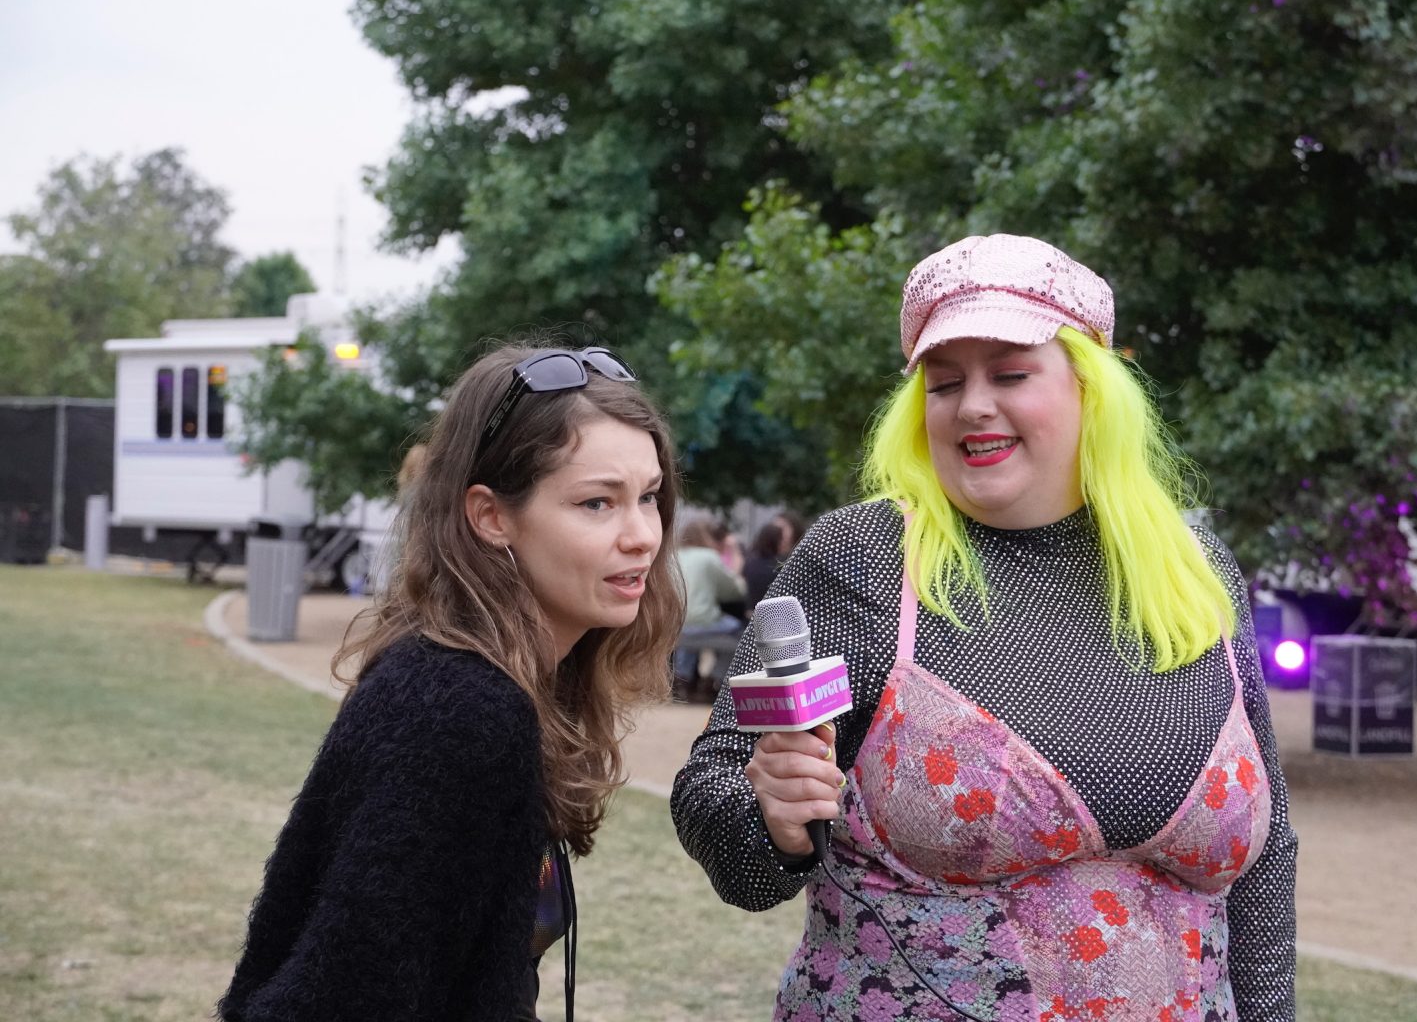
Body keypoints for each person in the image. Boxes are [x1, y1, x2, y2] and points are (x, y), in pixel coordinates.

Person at [671, 234, 1298, 1021]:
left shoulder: (1192, 566)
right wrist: (771, 821)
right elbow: (715, 786)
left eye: (1009, 373)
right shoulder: (863, 559)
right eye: (943, 383)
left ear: (1092, 389)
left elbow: (1267, 856)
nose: (971, 405)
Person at [219, 341, 685, 1022]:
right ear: (491, 517)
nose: (643, 534)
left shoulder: (497, 685)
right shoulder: (459, 711)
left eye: (648, 497)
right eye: (596, 503)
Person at [673, 516, 747, 691]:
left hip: (675, 622)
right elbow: (734, 591)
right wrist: (736, 559)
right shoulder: (709, 557)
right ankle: (716, 677)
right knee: (740, 631)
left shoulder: (673, 555)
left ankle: (682, 677)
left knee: (689, 630)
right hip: (702, 621)